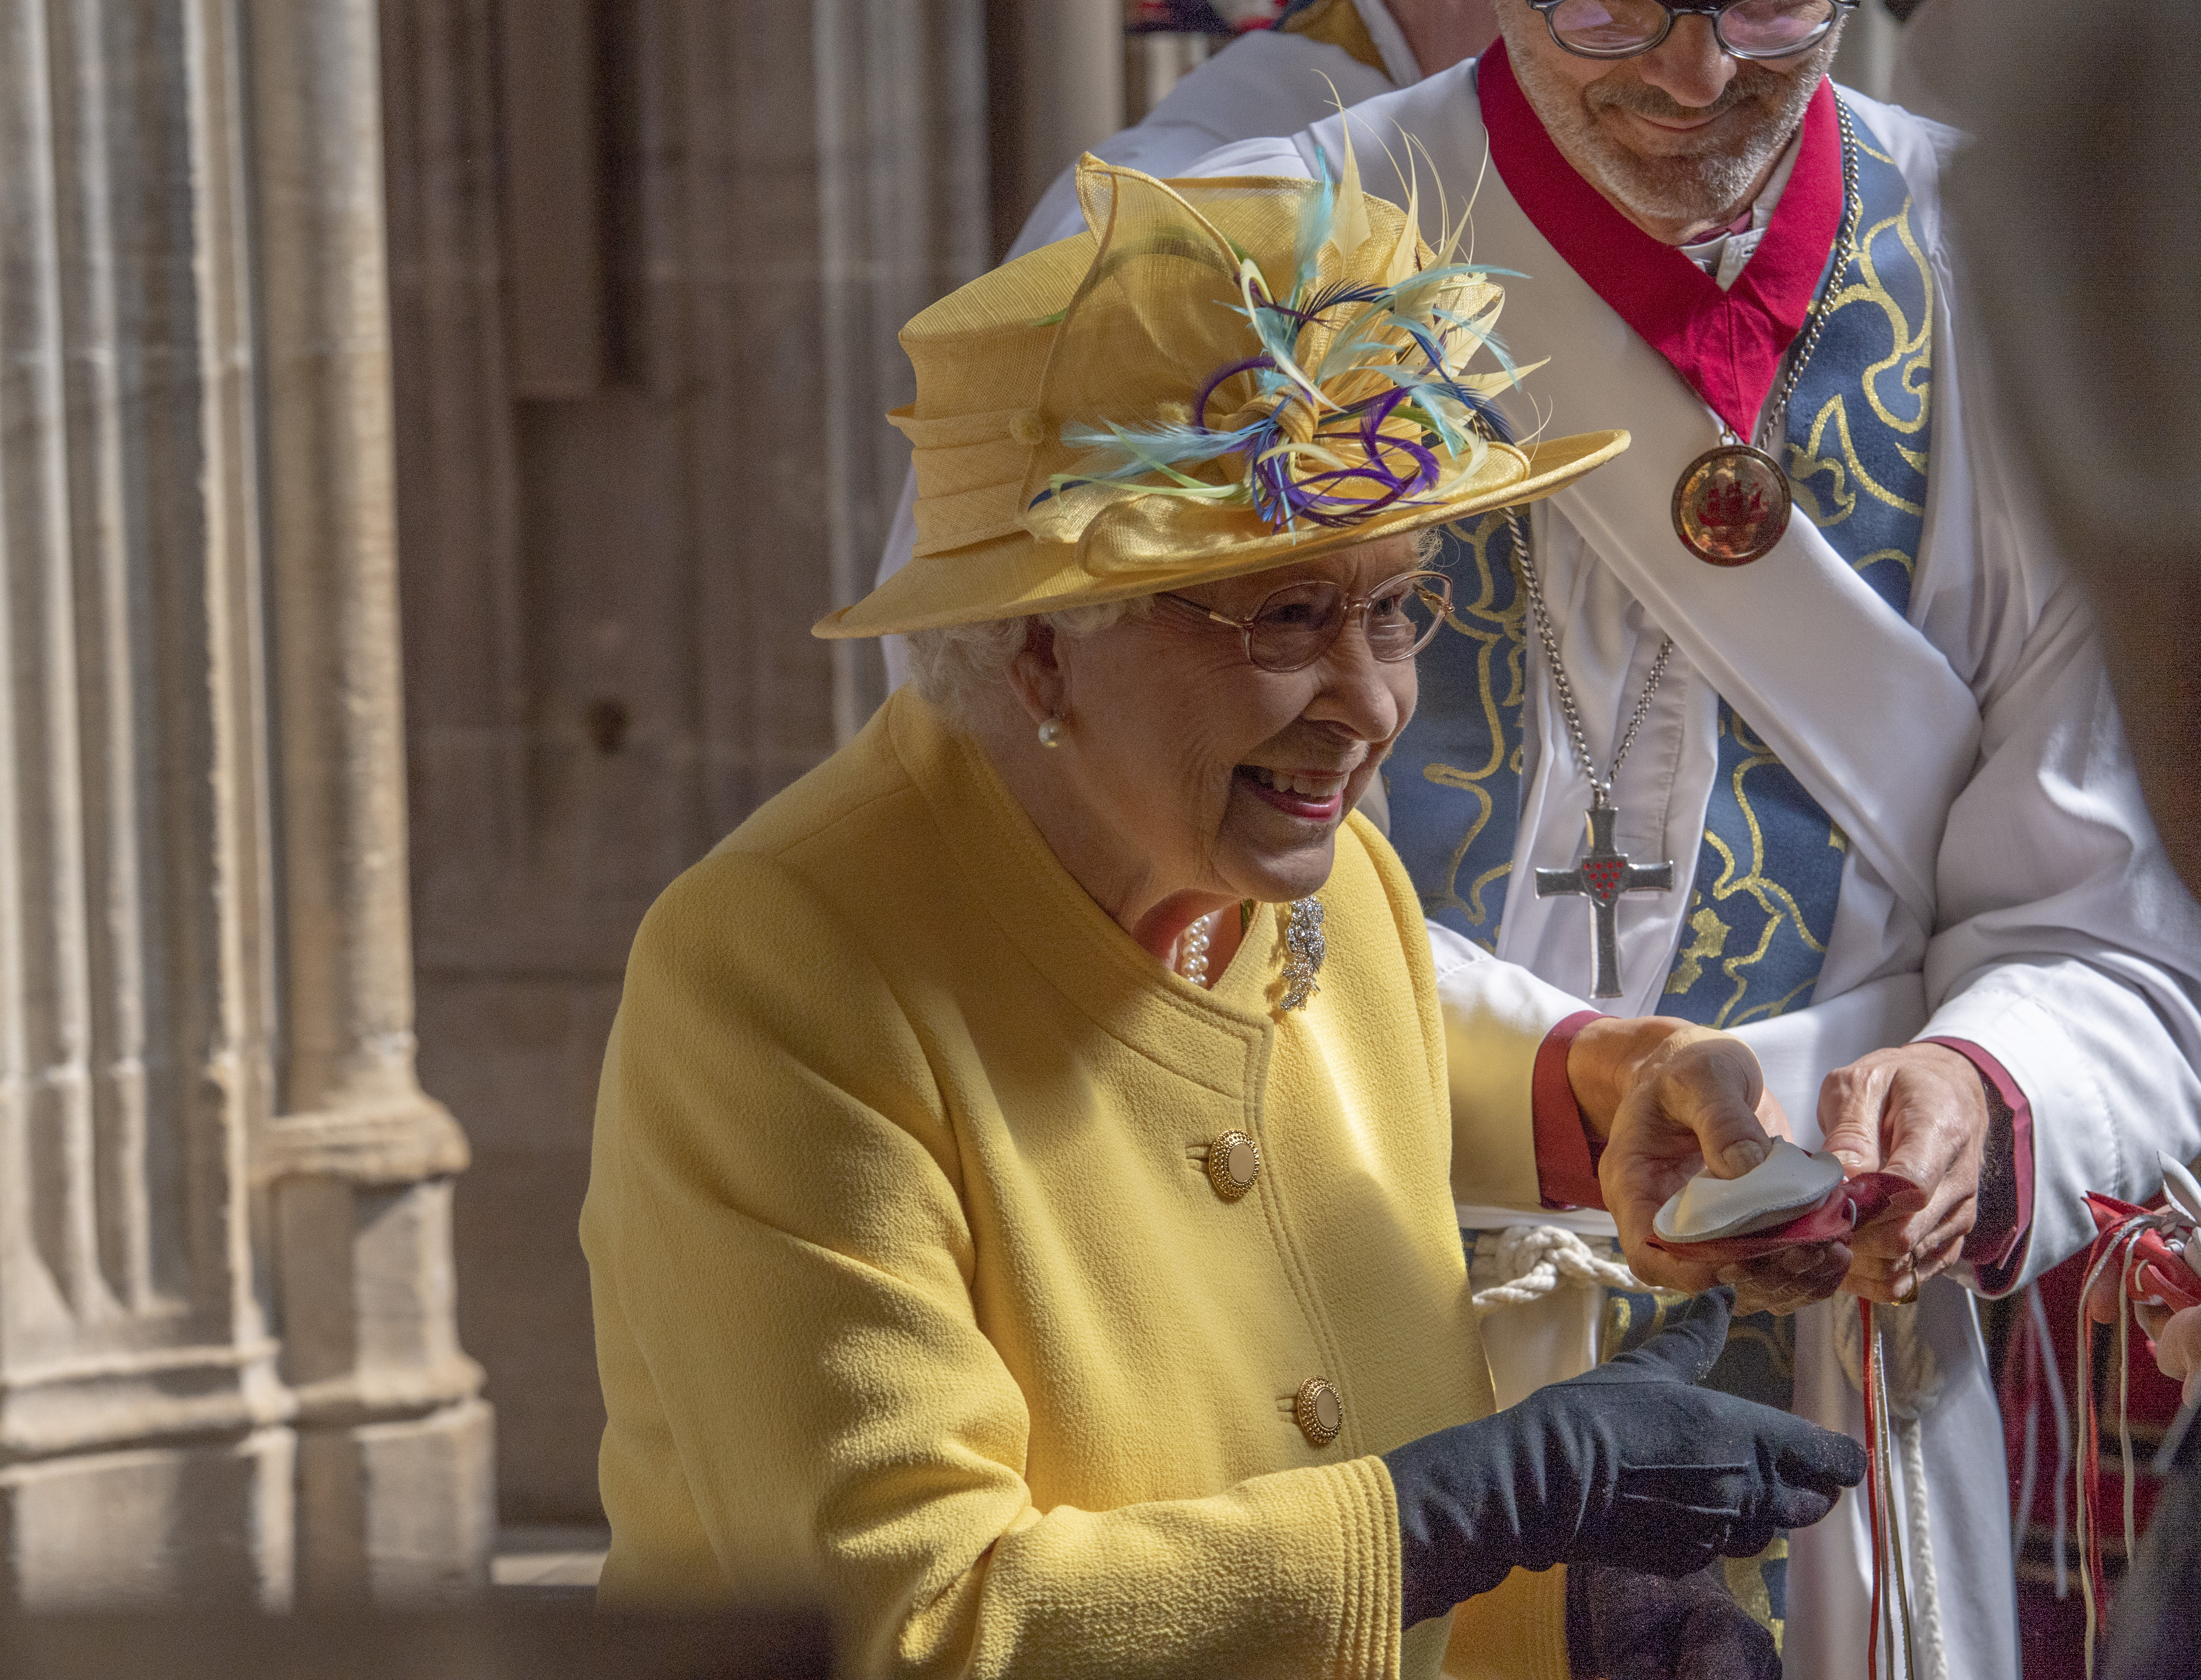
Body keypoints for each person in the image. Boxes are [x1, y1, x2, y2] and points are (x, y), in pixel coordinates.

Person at [582, 158, 1869, 1679]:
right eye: (1288, 617)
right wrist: (1500, 1502)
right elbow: (919, 1627)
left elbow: (1362, 1075)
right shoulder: (774, 977)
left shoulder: (1293, 872)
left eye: (1395, 606)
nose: (1376, 704)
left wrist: (1624, 1102)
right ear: (1044, 656)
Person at [1154, 5, 2201, 1678]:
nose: (1691, 74)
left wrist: (1987, 1100)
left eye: (1764, 0)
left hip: (1854, 1365)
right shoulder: (1247, 256)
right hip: (1351, 1326)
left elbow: (2115, 923)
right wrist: (1573, 1083)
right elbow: (1135, 869)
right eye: (1607, 4)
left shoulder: (2020, 275)